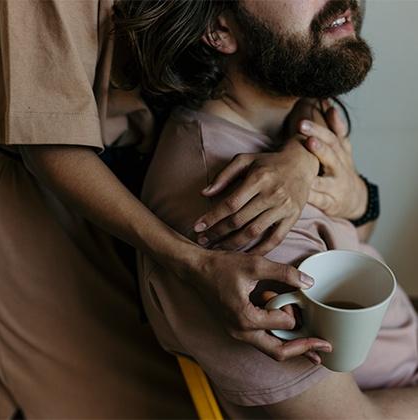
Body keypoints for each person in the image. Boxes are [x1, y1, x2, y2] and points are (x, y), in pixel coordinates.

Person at [0, 0, 334, 417]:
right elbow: (50, 147)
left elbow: (291, 55)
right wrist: (193, 263)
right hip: (59, 200)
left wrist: (300, 157)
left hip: (160, 167)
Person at [123, 0, 418, 418]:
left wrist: (334, 180)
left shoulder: (293, 124)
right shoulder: (245, 223)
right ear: (219, 31)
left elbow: (351, 237)